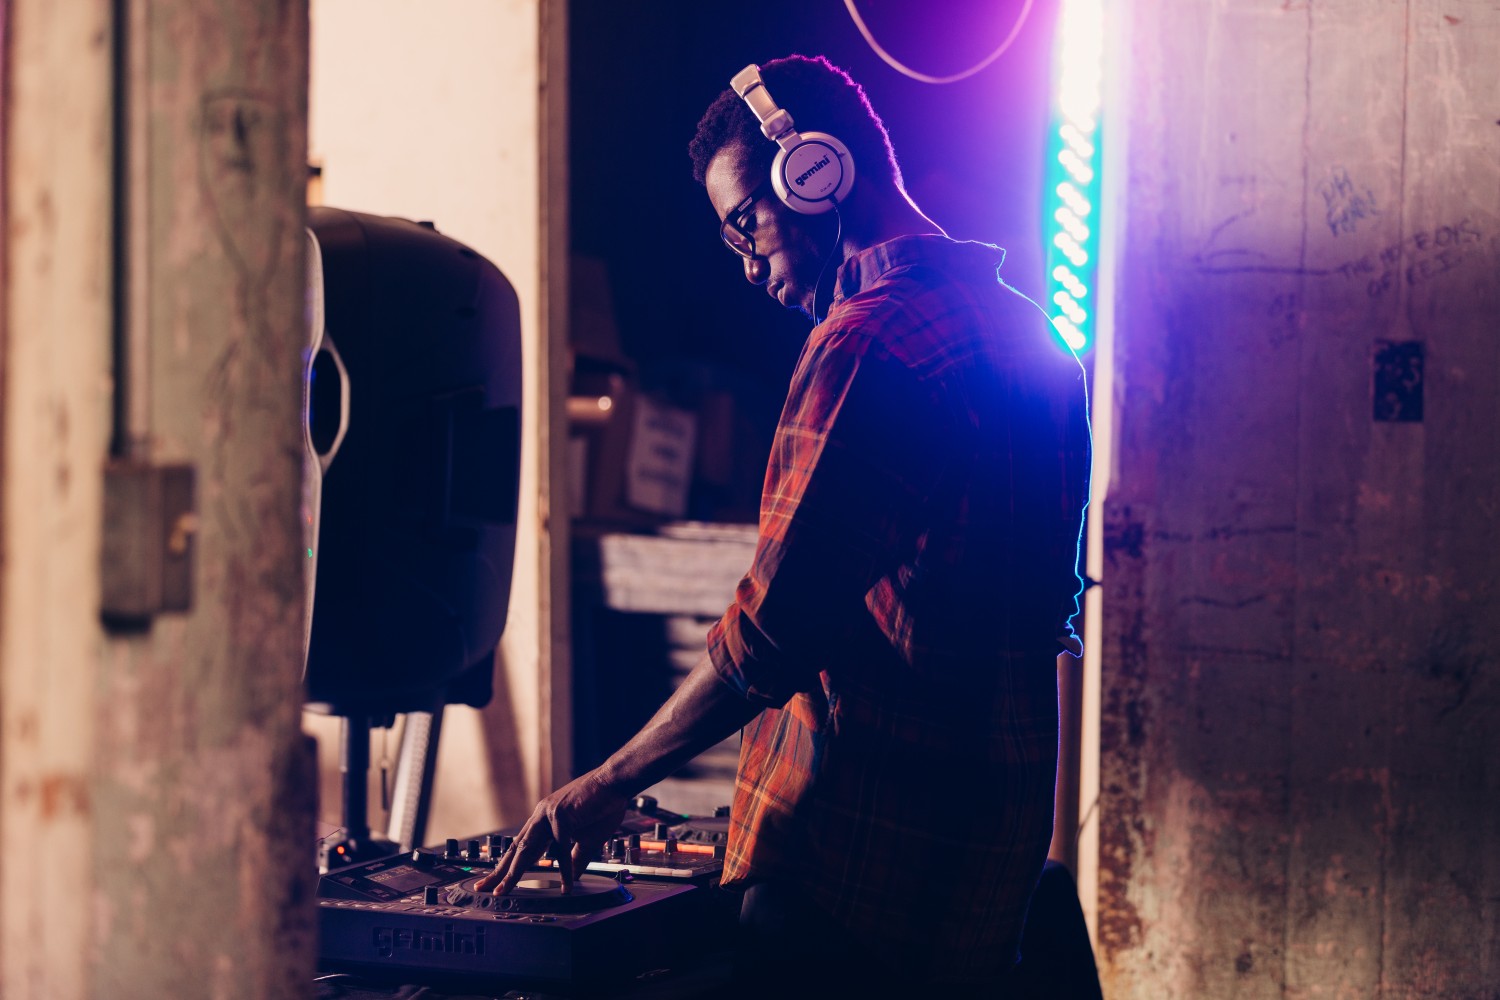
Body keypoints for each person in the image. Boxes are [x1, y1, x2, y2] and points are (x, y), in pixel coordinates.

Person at [478, 54, 1091, 997]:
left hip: (856, 877)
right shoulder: (1037, 343)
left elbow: (769, 636)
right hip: (985, 869)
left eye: (745, 226)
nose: (748, 264)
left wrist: (601, 786)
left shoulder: (866, 343)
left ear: (815, 174)